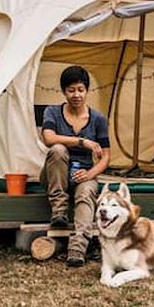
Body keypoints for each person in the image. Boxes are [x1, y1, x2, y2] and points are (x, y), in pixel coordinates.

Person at [40, 65, 111, 267]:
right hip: (56, 174)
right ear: (64, 92)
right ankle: (59, 211)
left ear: (87, 91)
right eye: (71, 90)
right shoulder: (52, 112)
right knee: (58, 150)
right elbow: (48, 138)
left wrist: (90, 174)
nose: (76, 95)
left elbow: (106, 157)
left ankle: (78, 249)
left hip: (82, 174)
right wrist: (82, 142)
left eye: (80, 89)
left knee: (87, 192)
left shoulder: (98, 119)